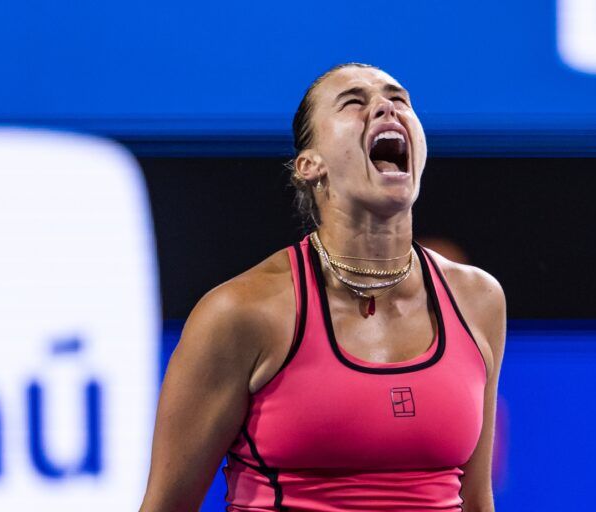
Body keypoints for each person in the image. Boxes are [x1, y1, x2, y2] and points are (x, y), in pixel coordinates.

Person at [139, 62, 507, 512]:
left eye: (399, 100)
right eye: (355, 102)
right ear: (310, 166)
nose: (386, 109)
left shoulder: (479, 299)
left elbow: (475, 499)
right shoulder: (242, 312)